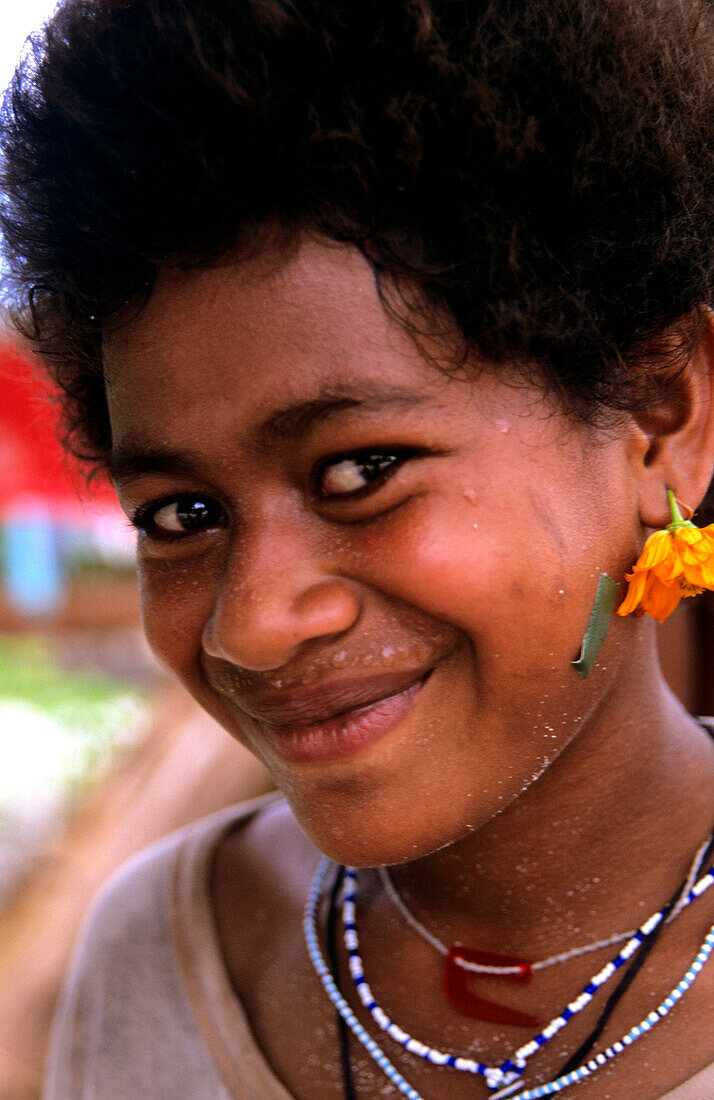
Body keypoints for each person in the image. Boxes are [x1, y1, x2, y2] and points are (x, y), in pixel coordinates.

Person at [2, 0, 714, 1096]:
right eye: (182, 515)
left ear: (661, 418)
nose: (254, 622)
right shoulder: (156, 953)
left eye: (360, 470)